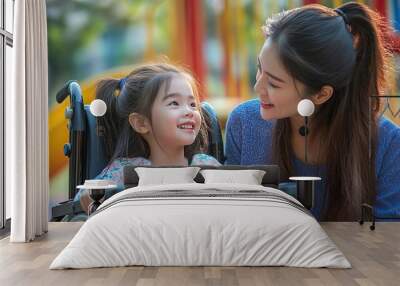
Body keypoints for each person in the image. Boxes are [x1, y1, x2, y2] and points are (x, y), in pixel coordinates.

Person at [225, 2, 400, 221]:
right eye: (260, 69)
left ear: (321, 95)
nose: (257, 88)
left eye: (274, 83)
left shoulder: (389, 145)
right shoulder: (245, 123)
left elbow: (387, 245)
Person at [76, 63, 221, 215]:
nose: (189, 111)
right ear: (141, 123)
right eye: (174, 103)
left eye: (192, 104)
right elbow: (83, 199)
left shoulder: (206, 165)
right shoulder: (124, 171)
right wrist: (89, 198)